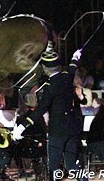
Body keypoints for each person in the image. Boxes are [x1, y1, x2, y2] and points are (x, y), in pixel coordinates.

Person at [12, 49, 87, 181]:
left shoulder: (50, 86)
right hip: (72, 128)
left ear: (45, 69)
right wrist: (75, 56)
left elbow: (40, 110)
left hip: (57, 131)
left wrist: (22, 126)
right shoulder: (67, 77)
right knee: (71, 164)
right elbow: (72, 67)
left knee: (54, 166)